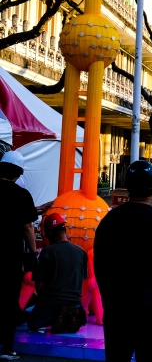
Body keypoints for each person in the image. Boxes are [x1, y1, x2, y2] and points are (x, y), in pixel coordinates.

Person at [95, 161, 152, 362]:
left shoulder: (110, 221)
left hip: (118, 307)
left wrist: (107, 297)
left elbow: (100, 264)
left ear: (127, 186)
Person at [0, 151, 37, 360]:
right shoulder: (21, 195)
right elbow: (27, 227)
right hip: (10, 256)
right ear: (18, 173)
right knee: (8, 300)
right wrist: (33, 253)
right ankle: (7, 347)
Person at [27, 214, 88, 333]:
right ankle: (72, 313)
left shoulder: (47, 252)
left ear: (49, 233)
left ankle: (55, 316)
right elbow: (82, 280)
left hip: (52, 301)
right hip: (75, 301)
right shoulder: (81, 252)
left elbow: (39, 285)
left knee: (32, 323)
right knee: (70, 308)